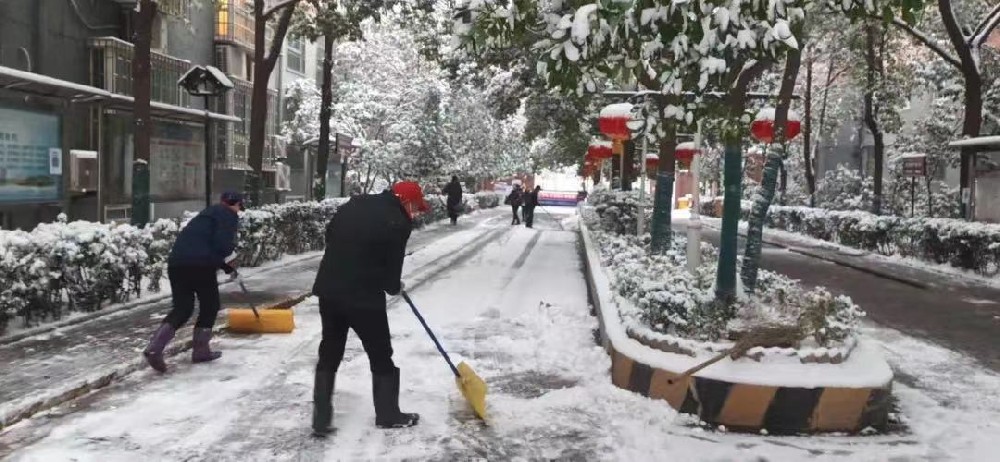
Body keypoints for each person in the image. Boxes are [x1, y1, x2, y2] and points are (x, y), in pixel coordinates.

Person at [310, 181, 428, 436]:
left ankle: (320, 419)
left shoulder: (355, 203)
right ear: (405, 201)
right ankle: (388, 414)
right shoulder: (398, 222)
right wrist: (395, 285)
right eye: (416, 208)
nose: (416, 213)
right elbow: (391, 273)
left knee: (330, 351)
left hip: (329, 289)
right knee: (380, 352)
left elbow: (330, 236)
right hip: (363, 296)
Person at [143, 191, 243, 373]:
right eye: (239, 206)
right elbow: (221, 244)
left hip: (177, 263)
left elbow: (204, 244)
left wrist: (226, 266)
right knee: (210, 305)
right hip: (201, 265)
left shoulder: (206, 215)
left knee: (182, 308)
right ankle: (201, 351)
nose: (239, 210)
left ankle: (154, 348)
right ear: (236, 205)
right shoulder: (228, 216)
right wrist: (230, 260)